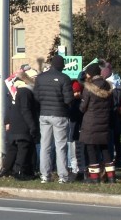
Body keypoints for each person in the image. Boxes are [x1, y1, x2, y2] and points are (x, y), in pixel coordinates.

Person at [34, 55, 74, 184]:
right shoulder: (65, 78)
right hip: (60, 115)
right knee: (60, 146)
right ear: (61, 65)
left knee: (45, 145)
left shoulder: (40, 78)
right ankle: (63, 176)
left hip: (44, 113)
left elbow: (36, 96)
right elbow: (68, 99)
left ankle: (45, 175)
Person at [79, 63, 114, 183]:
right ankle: (111, 177)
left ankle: (94, 178)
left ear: (91, 74)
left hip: (91, 124)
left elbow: (83, 108)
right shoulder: (108, 87)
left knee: (91, 149)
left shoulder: (88, 88)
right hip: (105, 122)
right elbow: (112, 105)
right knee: (105, 149)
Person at [6, 69, 39, 181]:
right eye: (34, 77)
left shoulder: (19, 90)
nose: (36, 79)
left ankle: (21, 170)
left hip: (18, 124)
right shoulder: (25, 91)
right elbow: (26, 110)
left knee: (22, 148)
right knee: (23, 148)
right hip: (22, 125)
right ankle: (19, 171)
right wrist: (32, 125)